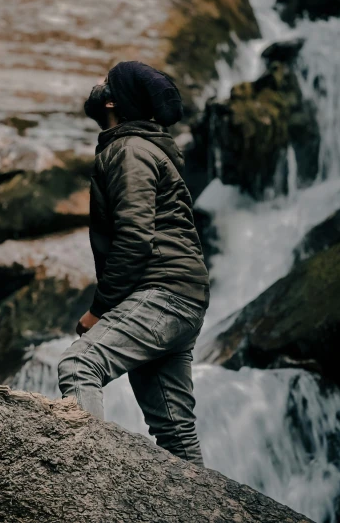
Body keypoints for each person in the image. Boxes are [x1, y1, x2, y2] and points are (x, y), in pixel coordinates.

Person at [58, 61, 209, 466]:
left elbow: (135, 238)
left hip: (162, 294)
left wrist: (98, 311)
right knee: (176, 432)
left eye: (106, 82)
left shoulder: (129, 151)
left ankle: (89, 489)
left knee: (79, 363)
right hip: (184, 299)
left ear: (112, 100)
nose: (97, 85)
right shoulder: (140, 147)